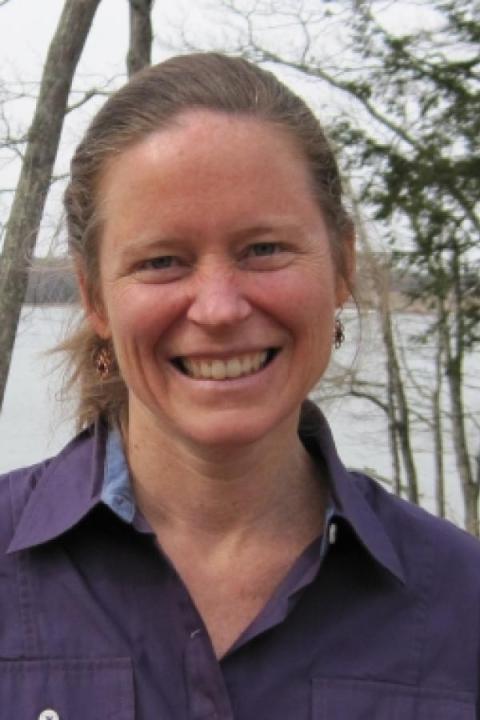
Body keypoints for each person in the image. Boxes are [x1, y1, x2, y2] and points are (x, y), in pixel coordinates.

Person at [0, 52, 479, 719]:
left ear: (340, 265)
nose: (219, 308)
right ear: (94, 297)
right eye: (162, 261)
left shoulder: (463, 606)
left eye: (264, 249)